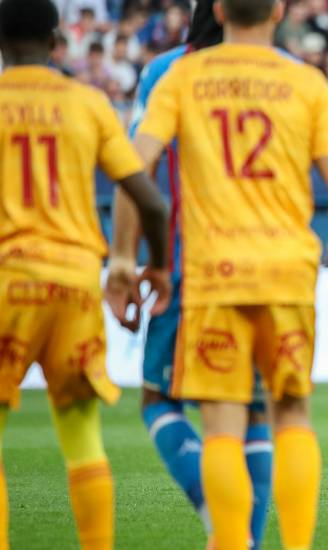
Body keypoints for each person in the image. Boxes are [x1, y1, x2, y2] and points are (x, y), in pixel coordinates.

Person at [109, 2, 328, 545]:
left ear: (220, 8)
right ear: (279, 10)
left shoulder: (180, 75)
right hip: (286, 272)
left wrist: (122, 260)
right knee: (291, 415)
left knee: (223, 424)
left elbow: (134, 171)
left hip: (212, 274)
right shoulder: (306, 82)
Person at [0, 1, 170, 549]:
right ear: (57, 41)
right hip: (73, 284)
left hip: (7, 281)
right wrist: (157, 265)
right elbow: (150, 201)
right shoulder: (86, 102)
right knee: (81, 436)